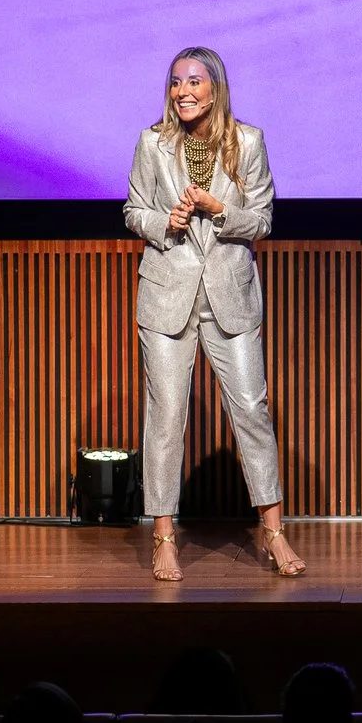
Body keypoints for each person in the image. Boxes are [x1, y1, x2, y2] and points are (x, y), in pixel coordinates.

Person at [124, 46, 303, 580]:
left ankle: (272, 532)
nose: (183, 91)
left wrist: (221, 211)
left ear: (215, 87)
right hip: (167, 294)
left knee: (252, 408)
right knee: (166, 417)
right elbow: (134, 209)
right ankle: (163, 537)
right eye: (176, 82)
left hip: (230, 294)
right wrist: (165, 221)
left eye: (194, 81)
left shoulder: (247, 142)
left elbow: (265, 220)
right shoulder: (152, 143)